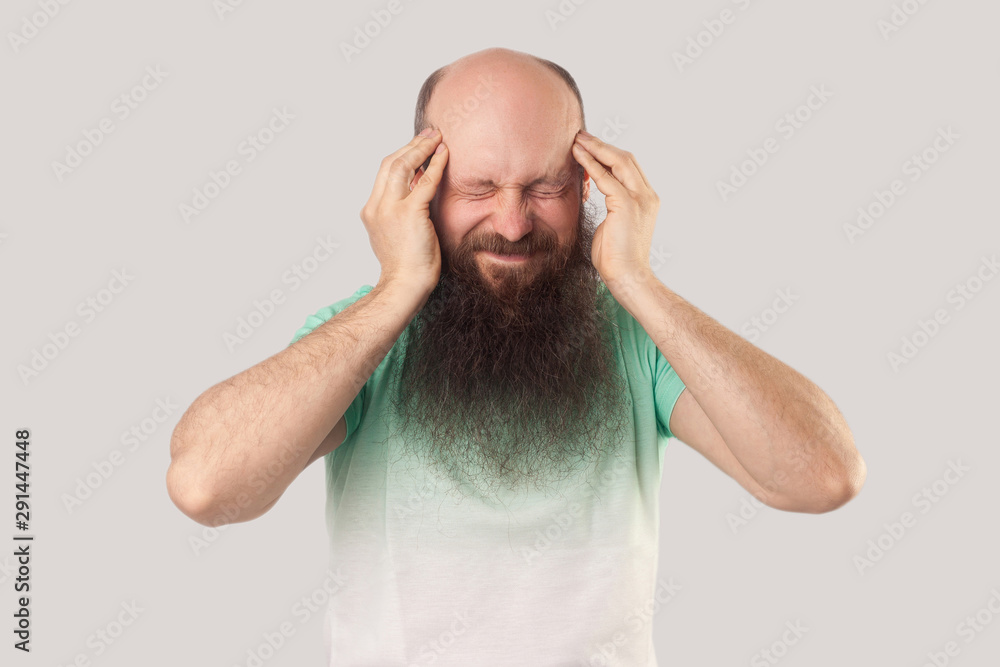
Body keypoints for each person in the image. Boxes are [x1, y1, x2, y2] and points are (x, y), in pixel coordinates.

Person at [166, 47, 866, 666]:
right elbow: (206, 487)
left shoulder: (633, 335)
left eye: (545, 187)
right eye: (477, 187)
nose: (511, 222)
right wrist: (397, 288)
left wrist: (637, 282)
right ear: (418, 188)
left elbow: (823, 476)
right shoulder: (363, 339)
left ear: (591, 185)